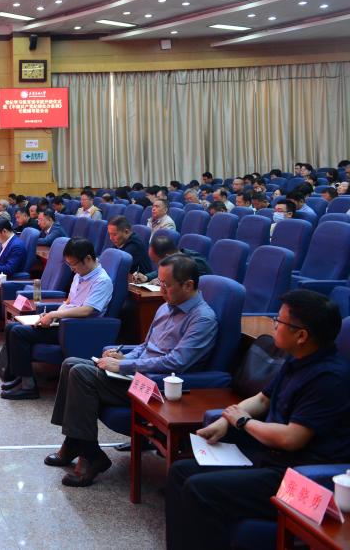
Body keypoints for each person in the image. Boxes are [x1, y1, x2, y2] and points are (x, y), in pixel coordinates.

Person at [165, 290, 350, 549]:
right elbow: (262, 400)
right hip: (269, 457)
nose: (274, 325)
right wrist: (226, 420)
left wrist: (243, 422)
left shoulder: (329, 379)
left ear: (301, 336)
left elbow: (292, 438)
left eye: (279, 321)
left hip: (298, 476)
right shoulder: (297, 360)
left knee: (200, 489)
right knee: (180, 472)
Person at [47, 254, 219, 487]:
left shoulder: (202, 319)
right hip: (136, 374)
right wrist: (124, 356)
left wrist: (124, 365)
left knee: (80, 374)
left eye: (166, 285)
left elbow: (176, 363)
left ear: (188, 285)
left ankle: (89, 454)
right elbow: (145, 347)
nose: (161, 290)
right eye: (159, 283)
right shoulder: (166, 307)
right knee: (70, 364)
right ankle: (75, 443)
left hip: (156, 386)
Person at [0, 238, 114, 400]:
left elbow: (87, 310)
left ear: (88, 258)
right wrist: (49, 314)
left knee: (19, 333)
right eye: (69, 265)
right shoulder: (80, 274)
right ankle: (20, 377)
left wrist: (54, 315)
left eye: (74, 264)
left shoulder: (102, 281)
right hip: (62, 323)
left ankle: (28, 387)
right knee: (11, 327)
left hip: (76, 329)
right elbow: (69, 301)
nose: (72, 269)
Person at [131, 233, 211, 284]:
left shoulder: (195, 264)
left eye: (157, 262)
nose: (157, 266)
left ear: (167, 257)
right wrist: (146, 277)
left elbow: (185, 287)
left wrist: (165, 282)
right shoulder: (174, 261)